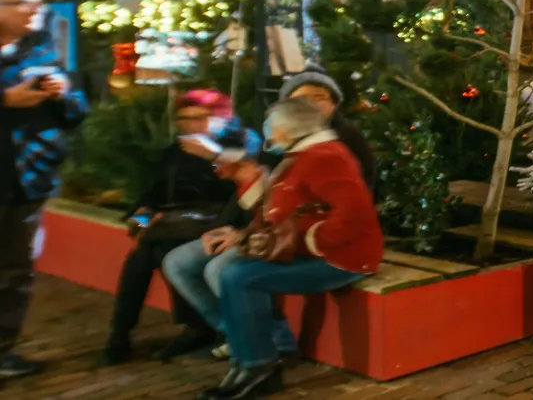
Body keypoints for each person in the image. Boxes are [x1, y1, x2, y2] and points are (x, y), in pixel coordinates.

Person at [159, 65, 375, 363]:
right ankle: (240, 335)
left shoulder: (335, 148)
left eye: (319, 96)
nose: (311, 103)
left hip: (303, 240)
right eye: (301, 98)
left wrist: (303, 240)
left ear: (335, 102)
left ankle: (264, 345)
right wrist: (238, 226)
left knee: (226, 270)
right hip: (268, 229)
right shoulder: (284, 147)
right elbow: (268, 198)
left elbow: (351, 210)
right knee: (178, 261)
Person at [103, 89, 245, 363]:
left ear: (220, 118)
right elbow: (150, 196)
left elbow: (243, 188)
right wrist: (141, 217)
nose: (194, 125)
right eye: (186, 119)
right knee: (142, 254)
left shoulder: (235, 148)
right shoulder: (173, 152)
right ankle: (119, 332)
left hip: (217, 224)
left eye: (202, 118)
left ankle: (197, 328)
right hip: (177, 224)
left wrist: (212, 156)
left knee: (162, 254)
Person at [0, 0, 86, 382]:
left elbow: (75, 114)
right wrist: (5, 100)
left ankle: (3, 351)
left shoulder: (41, 50)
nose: (36, 13)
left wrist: (63, 92)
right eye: (25, 5)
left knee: (17, 272)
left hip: (29, 182)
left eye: (40, 6)